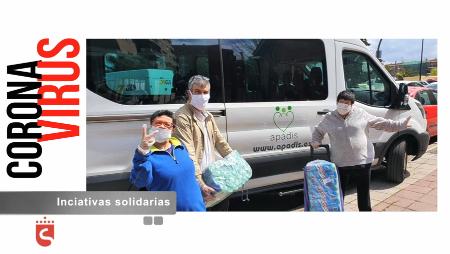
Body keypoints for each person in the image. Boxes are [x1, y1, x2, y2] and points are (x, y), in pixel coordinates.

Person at [311, 90, 411, 211]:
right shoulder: (329, 118)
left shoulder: (361, 113)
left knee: (363, 193)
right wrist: (316, 140)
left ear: (352, 104)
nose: (343, 105)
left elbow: (380, 123)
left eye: (346, 103)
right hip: (341, 162)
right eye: (340, 102)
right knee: (337, 193)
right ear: (337, 102)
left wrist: (400, 125)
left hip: (363, 161)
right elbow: (318, 130)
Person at [174, 75, 233, 211]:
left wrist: (237, 163)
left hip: (211, 175)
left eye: (205, 92)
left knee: (222, 208)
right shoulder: (182, 117)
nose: (202, 96)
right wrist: (200, 184)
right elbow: (189, 154)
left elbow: (220, 142)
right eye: (197, 92)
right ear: (189, 93)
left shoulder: (208, 116)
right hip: (195, 179)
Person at [129, 110, 205, 212]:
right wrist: (142, 151)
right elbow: (139, 182)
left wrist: (202, 187)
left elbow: (189, 178)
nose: (162, 126)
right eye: (158, 123)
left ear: (173, 129)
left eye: (167, 124)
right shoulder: (147, 155)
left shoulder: (180, 147)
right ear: (151, 126)